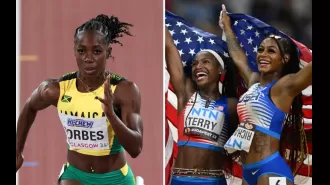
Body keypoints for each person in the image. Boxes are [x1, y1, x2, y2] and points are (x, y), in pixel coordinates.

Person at [16, 14, 143, 185]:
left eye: (96, 51)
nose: (88, 58)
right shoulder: (55, 89)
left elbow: (136, 148)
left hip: (115, 177)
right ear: (74, 51)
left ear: (108, 52)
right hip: (75, 175)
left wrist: (111, 115)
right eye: (81, 51)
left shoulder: (124, 90)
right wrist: (17, 151)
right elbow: (30, 106)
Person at [219, 5, 312, 185]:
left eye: (271, 51)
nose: (263, 54)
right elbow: (238, 57)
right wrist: (227, 27)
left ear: (284, 59)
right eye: (261, 50)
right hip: (248, 172)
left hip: (271, 168)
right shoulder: (253, 82)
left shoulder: (284, 86)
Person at [165, 27, 240, 185]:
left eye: (205, 62)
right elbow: (170, 46)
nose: (198, 66)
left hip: (212, 180)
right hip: (180, 180)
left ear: (220, 69)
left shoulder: (231, 105)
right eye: (195, 64)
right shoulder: (186, 94)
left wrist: (228, 28)